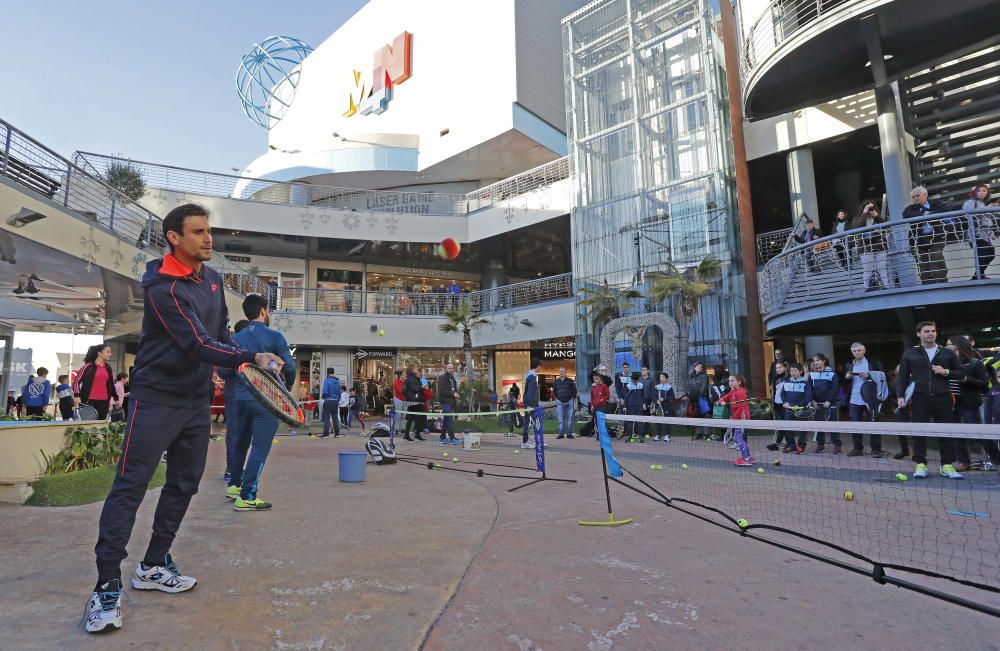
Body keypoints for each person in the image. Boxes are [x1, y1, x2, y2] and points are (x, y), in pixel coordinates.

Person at [85, 203, 283, 633]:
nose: (208, 239)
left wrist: (242, 357)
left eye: (209, 231)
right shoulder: (164, 290)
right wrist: (252, 356)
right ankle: (106, 585)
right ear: (174, 237)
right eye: (197, 232)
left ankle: (153, 564)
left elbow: (220, 336)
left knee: (184, 484)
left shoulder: (212, 281)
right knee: (130, 487)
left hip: (195, 402)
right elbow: (198, 343)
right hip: (154, 400)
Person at [219, 293, 296, 511]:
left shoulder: (235, 338)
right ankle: (248, 495)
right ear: (263, 310)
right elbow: (289, 368)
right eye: (268, 310)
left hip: (239, 399)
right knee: (260, 447)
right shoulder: (275, 336)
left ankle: (234, 485)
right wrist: (287, 387)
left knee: (239, 444)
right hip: (267, 401)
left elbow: (224, 370)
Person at [897, 321, 966, 479]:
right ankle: (920, 464)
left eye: (933, 331)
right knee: (919, 432)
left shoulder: (947, 353)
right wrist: (901, 396)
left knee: (946, 431)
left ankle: (947, 465)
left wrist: (946, 371)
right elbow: (902, 378)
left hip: (944, 397)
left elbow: (961, 373)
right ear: (918, 334)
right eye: (927, 331)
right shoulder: (909, 354)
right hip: (919, 398)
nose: (931, 334)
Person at [946, 335, 988, 472]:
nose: (947, 347)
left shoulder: (975, 363)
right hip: (951, 403)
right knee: (956, 433)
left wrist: (965, 379)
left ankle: (997, 460)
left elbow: (983, 383)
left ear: (958, 346)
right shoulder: (945, 362)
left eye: (949, 345)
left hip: (968, 403)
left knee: (979, 433)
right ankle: (964, 461)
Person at [844, 342, 886, 457]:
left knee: (874, 424)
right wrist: (847, 378)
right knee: (855, 425)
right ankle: (857, 449)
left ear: (864, 350)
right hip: (854, 399)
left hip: (870, 399)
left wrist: (869, 376)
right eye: (854, 351)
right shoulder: (850, 365)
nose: (856, 353)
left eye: (859, 350)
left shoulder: (873, 363)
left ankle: (876, 449)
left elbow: (883, 377)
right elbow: (845, 383)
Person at [902, 186, 949, 284]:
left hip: (936, 237)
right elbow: (906, 215)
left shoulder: (936, 203)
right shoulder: (910, 208)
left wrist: (928, 215)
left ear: (925, 194)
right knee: (922, 261)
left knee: (936, 255)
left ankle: (942, 280)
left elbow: (945, 209)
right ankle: (927, 283)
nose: (915, 198)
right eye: (913, 197)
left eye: (917, 196)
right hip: (918, 240)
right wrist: (925, 215)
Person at [223, 319, 249, 478]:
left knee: (237, 435)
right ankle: (235, 470)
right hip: (243, 396)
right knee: (240, 435)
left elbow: (222, 372)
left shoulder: (233, 346)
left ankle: (234, 469)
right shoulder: (238, 348)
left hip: (237, 395)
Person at [852, 200, 890, 291]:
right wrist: (864, 214)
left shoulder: (878, 217)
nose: (870, 209)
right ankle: (866, 288)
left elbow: (886, 226)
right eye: (867, 207)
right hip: (865, 247)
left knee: (881, 267)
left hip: (879, 245)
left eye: (871, 207)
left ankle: (886, 286)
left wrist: (876, 216)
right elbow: (857, 228)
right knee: (867, 268)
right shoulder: (857, 219)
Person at [962, 184, 997, 280]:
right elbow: (968, 213)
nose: (981, 193)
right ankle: (977, 276)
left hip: (984, 233)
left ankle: (978, 276)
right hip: (975, 233)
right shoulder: (970, 202)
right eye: (979, 191)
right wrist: (987, 208)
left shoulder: (982, 204)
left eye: (984, 191)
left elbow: (985, 219)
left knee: (990, 253)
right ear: (974, 193)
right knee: (986, 253)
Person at [74, 343, 118, 420]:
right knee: (88, 426)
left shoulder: (108, 368)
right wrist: (77, 396)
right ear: (99, 353)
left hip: (104, 402)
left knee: (100, 425)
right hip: (89, 401)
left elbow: (111, 384)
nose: (110, 354)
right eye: (107, 352)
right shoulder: (88, 366)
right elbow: (76, 381)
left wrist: (116, 398)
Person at [808, 354, 841, 453]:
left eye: (818, 360)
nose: (816, 362)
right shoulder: (811, 374)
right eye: (814, 361)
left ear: (824, 361)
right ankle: (820, 445)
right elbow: (808, 389)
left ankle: (837, 445)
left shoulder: (832, 374)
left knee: (833, 425)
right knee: (819, 425)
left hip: (829, 404)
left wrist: (829, 401)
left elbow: (835, 388)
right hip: (816, 404)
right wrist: (812, 400)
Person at [777, 363, 812, 454]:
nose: (793, 372)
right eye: (791, 371)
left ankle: (801, 446)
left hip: (801, 410)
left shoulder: (805, 382)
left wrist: (800, 405)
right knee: (788, 429)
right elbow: (782, 394)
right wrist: (785, 402)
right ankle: (791, 446)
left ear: (800, 372)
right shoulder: (787, 381)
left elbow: (808, 396)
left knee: (802, 430)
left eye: (795, 370)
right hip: (789, 410)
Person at [718, 375, 752, 465]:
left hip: (742, 419)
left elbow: (741, 408)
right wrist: (722, 401)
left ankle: (747, 459)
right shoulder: (732, 391)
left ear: (739, 382)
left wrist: (733, 419)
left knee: (738, 438)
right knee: (739, 438)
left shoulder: (740, 393)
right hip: (737, 419)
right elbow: (724, 397)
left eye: (732, 381)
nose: (730, 383)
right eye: (729, 381)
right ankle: (748, 457)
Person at [766, 360, 789, 452]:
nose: (778, 369)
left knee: (785, 425)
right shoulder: (775, 378)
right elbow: (774, 392)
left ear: (785, 368)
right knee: (780, 425)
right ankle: (779, 444)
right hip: (777, 404)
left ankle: (786, 443)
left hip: (785, 405)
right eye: (776, 368)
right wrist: (773, 403)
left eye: (780, 367)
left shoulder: (788, 378)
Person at [436, 363, 460, 444]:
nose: (451, 370)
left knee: (446, 420)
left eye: (452, 368)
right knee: (449, 420)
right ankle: (452, 438)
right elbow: (442, 391)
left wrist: (456, 393)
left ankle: (442, 437)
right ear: (446, 369)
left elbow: (454, 389)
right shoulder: (442, 378)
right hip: (445, 402)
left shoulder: (452, 378)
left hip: (451, 402)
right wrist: (453, 394)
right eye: (449, 368)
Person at [520, 359, 541, 449]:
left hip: (530, 403)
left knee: (530, 422)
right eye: (540, 366)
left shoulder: (530, 376)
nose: (541, 367)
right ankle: (528, 442)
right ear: (538, 366)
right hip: (531, 404)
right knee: (533, 422)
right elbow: (530, 392)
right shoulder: (532, 377)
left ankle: (530, 441)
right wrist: (530, 405)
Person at [402, 365, 426, 441]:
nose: (417, 369)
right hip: (415, 401)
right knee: (419, 417)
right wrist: (421, 387)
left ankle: (408, 435)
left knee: (411, 418)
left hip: (413, 401)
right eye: (416, 368)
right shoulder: (412, 379)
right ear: (412, 370)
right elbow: (414, 388)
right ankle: (416, 434)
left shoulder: (413, 378)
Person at [620, 371, 646, 441]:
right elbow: (625, 397)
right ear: (631, 380)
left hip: (639, 406)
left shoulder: (641, 385)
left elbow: (643, 395)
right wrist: (625, 406)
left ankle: (641, 437)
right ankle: (630, 436)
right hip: (630, 406)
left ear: (638, 380)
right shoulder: (628, 386)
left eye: (636, 380)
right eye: (633, 380)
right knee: (630, 422)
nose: (634, 382)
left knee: (640, 422)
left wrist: (644, 403)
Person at [553, 367, 577, 440]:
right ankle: (561, 434)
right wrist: (556, 398)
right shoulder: (556, 382)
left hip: (569, 401)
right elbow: (554, 391)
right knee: (560, 419)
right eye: (560, 371)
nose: (561, 373)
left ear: (566, 372)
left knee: (570, 419)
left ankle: (569, 434)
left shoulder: (570, 381)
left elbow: (574, 390)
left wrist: (573, 397)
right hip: (559, 402)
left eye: (563, 371)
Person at [688, 361, 711, 440]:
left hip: (702, 398)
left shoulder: (704, 376)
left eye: (701, 367)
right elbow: (689, 386)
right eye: (698, 366)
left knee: (704, 415)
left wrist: (698, 394)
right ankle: (699, 433)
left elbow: (704, 386)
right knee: (695, 415)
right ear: (694, 368)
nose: (700, 368)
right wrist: (690, 394)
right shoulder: (691, 376)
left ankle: (706, 433)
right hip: (693, 398)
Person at [652, 372, 674, 442]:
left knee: (667, 420)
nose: (661, 379)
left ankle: (667, 435)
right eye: (660, 377)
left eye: (662, 377)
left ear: (666, 379)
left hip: (667, 406)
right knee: (658, 421)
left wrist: (664, 399)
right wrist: (656, 401)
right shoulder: (657, 386)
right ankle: (658, 435)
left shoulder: (669, 387)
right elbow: (653, 396)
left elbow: (672, 397)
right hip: (658, 407)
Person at [320, 368, 342, 438]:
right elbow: (339, 393)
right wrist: (337, 400)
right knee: (335, 417)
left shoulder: (327, 380)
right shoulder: (338, 381)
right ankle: (337, 433)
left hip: (328, 401)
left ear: (327, 373)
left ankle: (326, 434)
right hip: (335, 401)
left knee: (326, 417)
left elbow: (325, 392)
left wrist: (323, 397)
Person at [588, 371, 610, 439]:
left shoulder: (604, 386)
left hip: (602, 406)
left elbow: (608, 395)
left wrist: (603, 399)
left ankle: (605, 435)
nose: (596, 380)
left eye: (597, 378)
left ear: (600, 378)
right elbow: (592, 397)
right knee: (597, 421)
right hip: (595, 406)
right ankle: (598, 435)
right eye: (594, 379)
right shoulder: (592, 387)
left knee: (602, 421)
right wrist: (592, 405)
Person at [392, 370, 405, 434]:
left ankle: (402, 428)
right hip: (398, 399)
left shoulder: (405, 382)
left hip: (405, 400)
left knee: (403, 415)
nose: (405, 375)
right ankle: (396, 428)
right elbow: (400, 391)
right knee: (398, 415)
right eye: (404, 374)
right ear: (400, 375)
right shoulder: (397, 382)